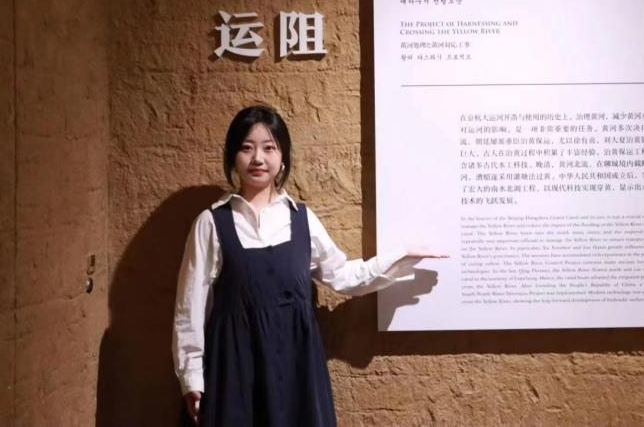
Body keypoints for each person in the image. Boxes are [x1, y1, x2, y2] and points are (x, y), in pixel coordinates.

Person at [173, 105, 444, 426]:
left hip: (296, 369)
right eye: (247, 148)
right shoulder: (211, 223)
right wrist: (191, 377)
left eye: (269, 148)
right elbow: (190, 307)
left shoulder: (301, 220)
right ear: (233, 156)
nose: (258, 158)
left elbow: (345, 276)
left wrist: (402, 255)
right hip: (235, 369)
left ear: (283, 158)